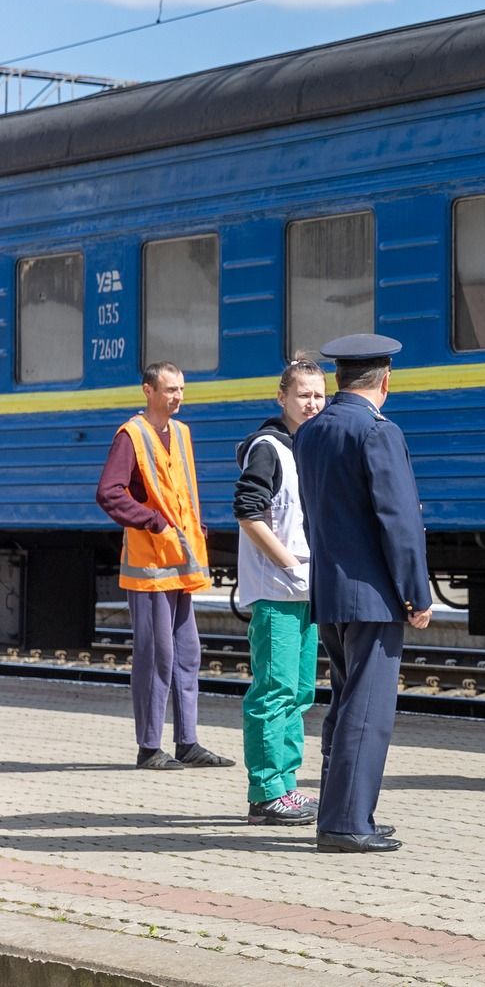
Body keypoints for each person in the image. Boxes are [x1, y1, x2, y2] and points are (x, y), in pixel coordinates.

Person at [293, 334, 431, 854]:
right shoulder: (378, 432)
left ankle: (341, 810)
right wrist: (416, 593)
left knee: (345, 704)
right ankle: (347, 823)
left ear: (340, 378)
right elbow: (398, 522)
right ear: (385, 380)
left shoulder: (311, 432)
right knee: (368, 710)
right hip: (373, 594)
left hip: (330, 589)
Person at [94, 361, 234, 771]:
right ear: (148, 391)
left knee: (187, 653)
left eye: (182, 389)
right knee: (156, 656)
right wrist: (153, 521)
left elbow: (182, 492)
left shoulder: (183, 434)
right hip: (150, 564)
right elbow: (108, 493)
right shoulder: (131, 435)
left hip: (182, 560)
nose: (178, 397)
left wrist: (195, 527)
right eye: (170, 389)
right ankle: (150, 747)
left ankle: (188, 741)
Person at [232, 356, 328, 825]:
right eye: (303, 394)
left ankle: (286, 786)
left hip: (306, 591)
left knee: (300, 692)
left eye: (318, 395)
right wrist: (289, 565)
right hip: (278, 590)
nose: (311, 403)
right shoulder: (268, 448)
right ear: (282, 396)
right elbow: (248, 512)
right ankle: (265, 791)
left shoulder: (307, 447)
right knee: (273, 691)